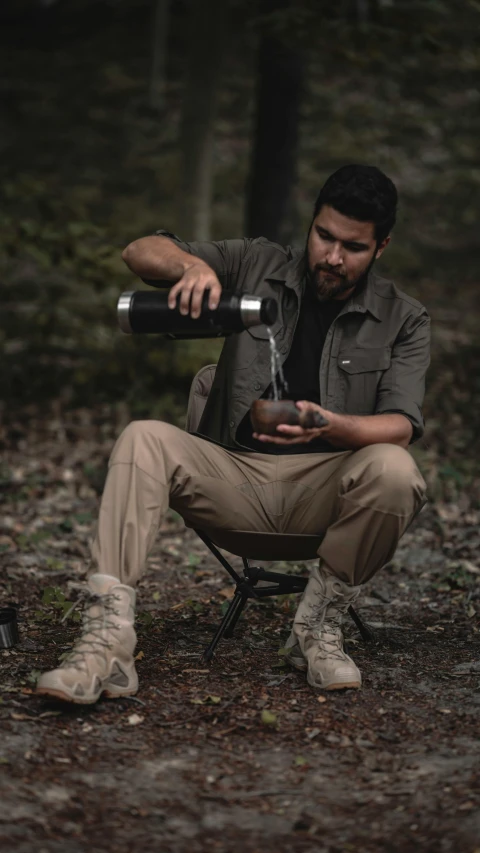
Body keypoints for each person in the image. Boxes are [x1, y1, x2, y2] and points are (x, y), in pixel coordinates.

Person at [37, 164, 429, 704]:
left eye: (353, 247)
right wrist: (192, 265)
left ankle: (316, 630)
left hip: (325, 495)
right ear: (311, 224)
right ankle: (106, 644)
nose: (332, 257)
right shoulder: (257, 263)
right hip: (234, 480)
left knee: (395, 469)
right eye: (324, 237)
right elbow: (139, 251)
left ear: (381, 247)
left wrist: (327, 423)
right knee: (142, 437)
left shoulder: (403, 318)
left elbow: (402, 425)